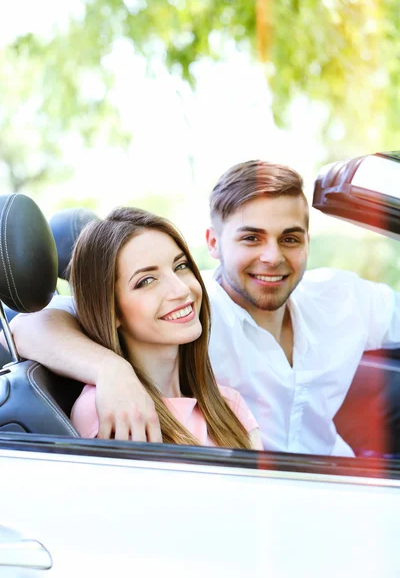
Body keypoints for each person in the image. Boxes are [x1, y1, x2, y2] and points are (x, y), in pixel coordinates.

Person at [10, 160, 400, 455]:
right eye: (251, 238)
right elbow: (28, 327)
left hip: (343, 486)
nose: (272, 257)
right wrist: (111, 369)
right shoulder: (184, 318)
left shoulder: (343, 298)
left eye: (290, 239)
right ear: (213, 243)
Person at [58, 206, 261, 449]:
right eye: (146, 281)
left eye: (181, 266)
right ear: (109, 311)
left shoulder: (229, 404)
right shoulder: (108, 408)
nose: (181, 290)